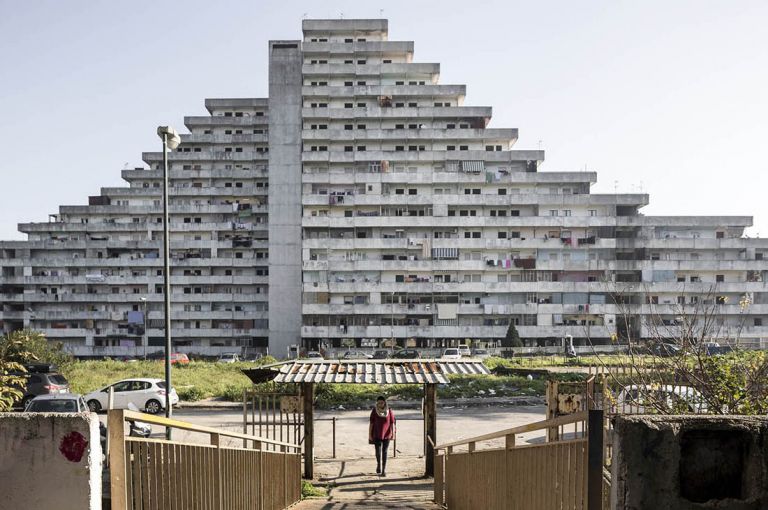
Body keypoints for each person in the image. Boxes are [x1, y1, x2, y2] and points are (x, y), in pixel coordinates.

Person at [369, 395, 396, 476]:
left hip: (387, 434)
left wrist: (393, 433)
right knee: (378, 452)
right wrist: (370, 434)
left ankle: (384, 470)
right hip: (376, 434)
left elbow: (392, 423)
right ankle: (378, 464)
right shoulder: (374, 411)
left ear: (385, 403)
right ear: (377, 403)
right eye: (379, 402)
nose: (381, 404)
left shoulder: (389, 410)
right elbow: (371, 423)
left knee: (385, 452)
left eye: (382, 402)